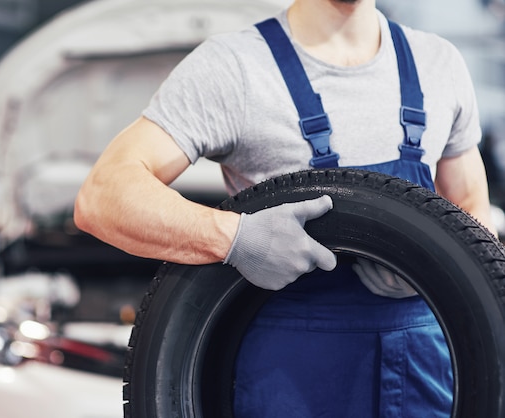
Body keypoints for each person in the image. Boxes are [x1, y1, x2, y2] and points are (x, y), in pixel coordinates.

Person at [74, 0, 497, 416]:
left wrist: (422, 267)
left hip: (426, 373)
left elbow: (470, 211)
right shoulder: (234, 67)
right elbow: (104, 195)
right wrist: (235, 238)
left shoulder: (438, 62)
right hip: (290, 379)